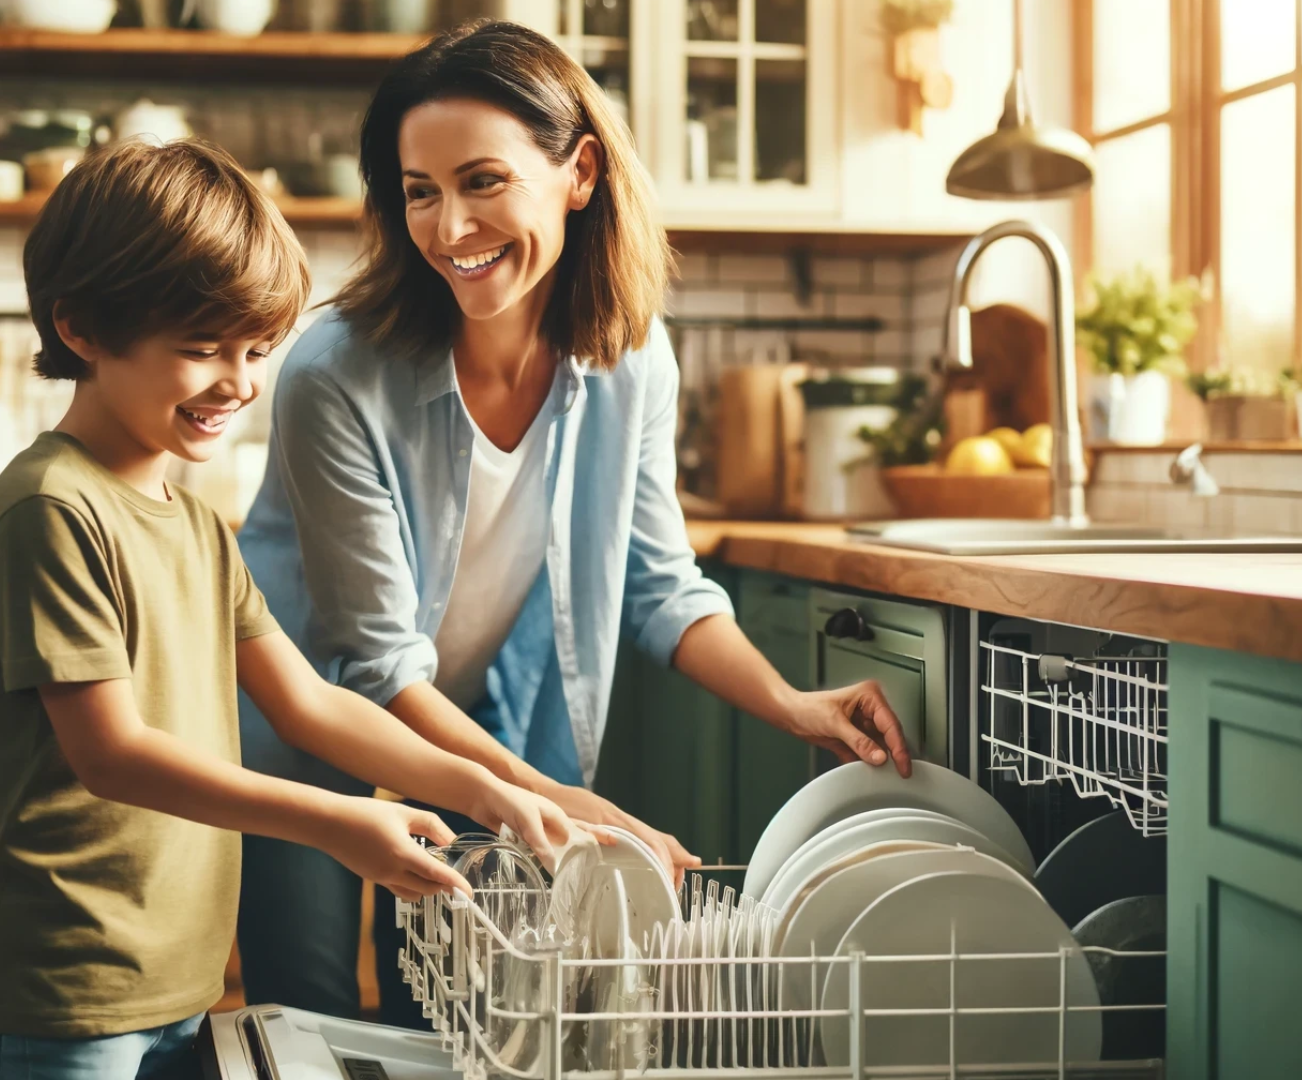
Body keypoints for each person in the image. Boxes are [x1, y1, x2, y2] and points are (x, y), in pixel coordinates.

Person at [236, 20, 912, 1028]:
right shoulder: (335, 370)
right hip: (305, 720)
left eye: (483, 180)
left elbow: (658, 583)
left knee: (463, 1005)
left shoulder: (629, 358)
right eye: (420, 191)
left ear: (580, 172)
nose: (450, 226)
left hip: (475, 714)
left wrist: (793, 704)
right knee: (311, 1011)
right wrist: (559, 802)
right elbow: (374, 666)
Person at [0, 138, 574, 1080]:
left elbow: (309, 703)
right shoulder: (50, 510)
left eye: (258, 348)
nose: (240, 382)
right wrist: (333, 823)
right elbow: (112, 754)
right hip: (56, 995)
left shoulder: (194, 521)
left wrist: (484, 791)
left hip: (174, 982)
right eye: (201, 349)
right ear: (81, 330)